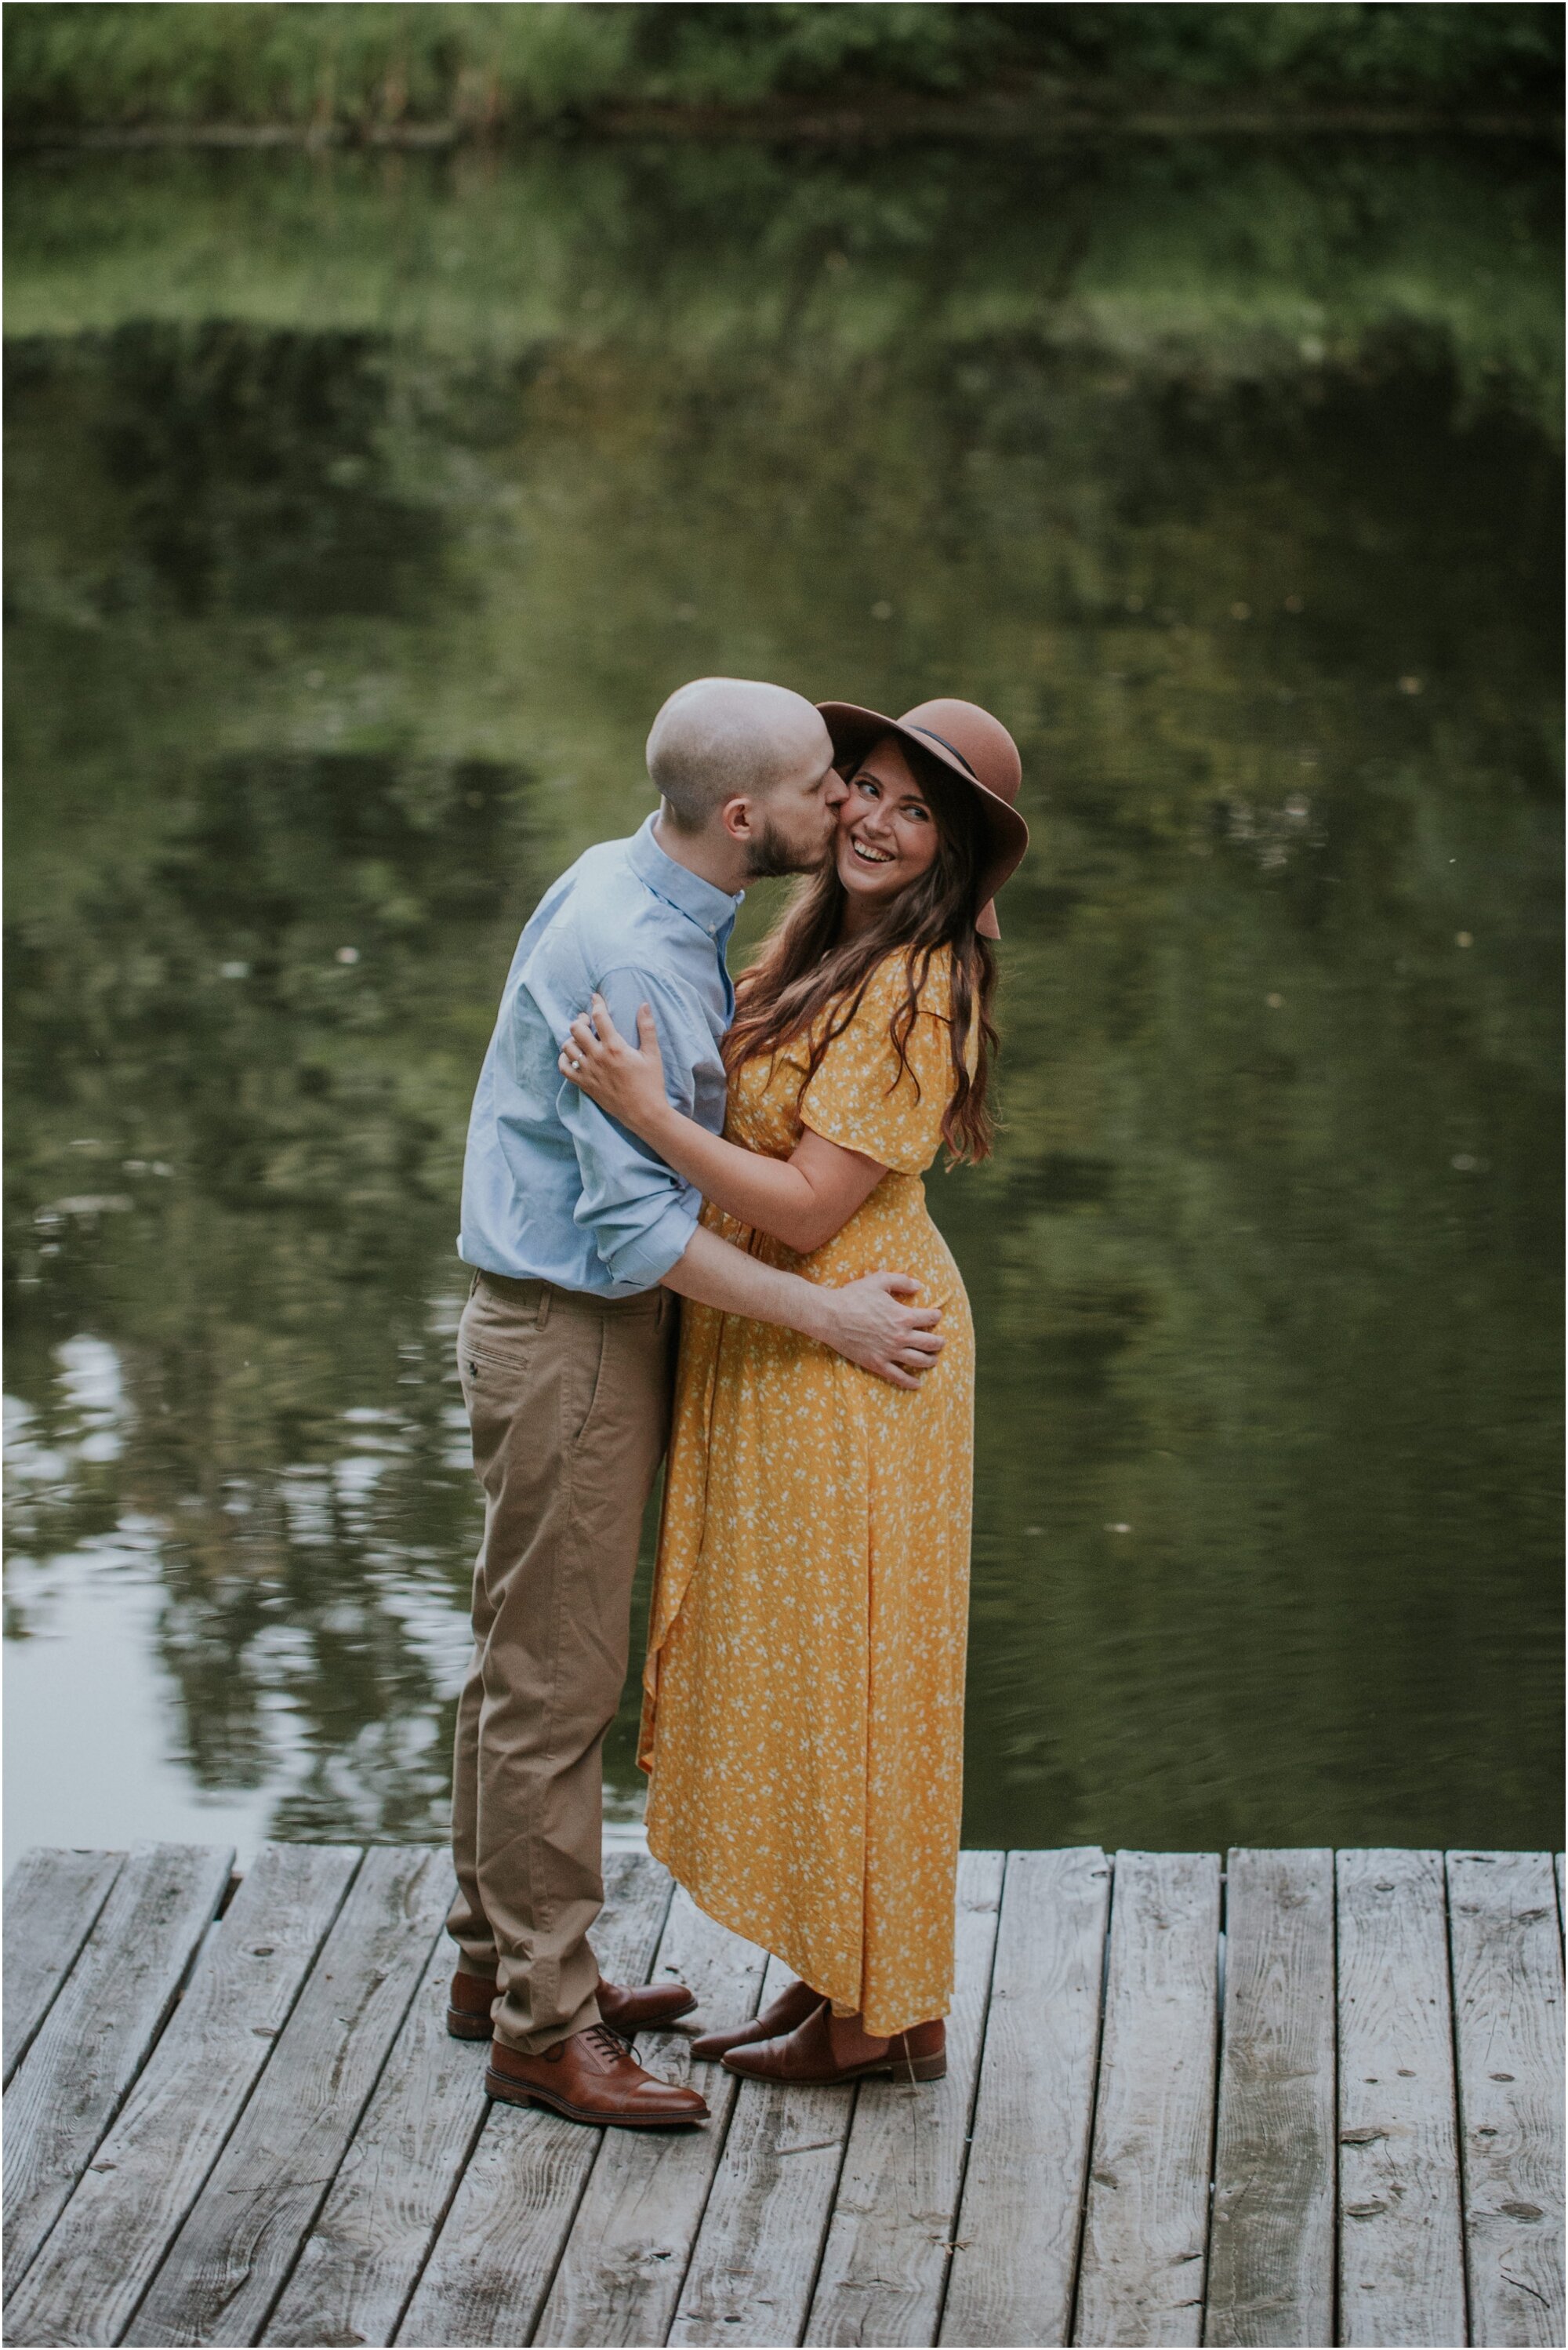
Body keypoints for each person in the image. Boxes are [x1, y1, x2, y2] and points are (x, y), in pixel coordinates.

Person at [447, 677, 945, 2132]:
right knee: (554, 1683)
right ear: (746, 819)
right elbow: (637, 1234)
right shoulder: (646, 963)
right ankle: (544, 2029)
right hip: (577, 1334)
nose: (846, 804)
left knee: (516, 1654)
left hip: (540, 1323)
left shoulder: (637, 877)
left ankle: (499, 1964)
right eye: (823, 785)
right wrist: (831, 1317)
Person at [560, 696, 1026, 2086]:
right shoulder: (830, 940)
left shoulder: (915, 976)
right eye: (866, 788)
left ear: (953, 852)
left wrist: (644, 1115)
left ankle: (877, 2011)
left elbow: (817, 1209)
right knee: (832, 1671)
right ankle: (862, 1984)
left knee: (861, 1673)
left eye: (913, 808)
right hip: (795, 1348)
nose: (875, 819)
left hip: (858, 1349)